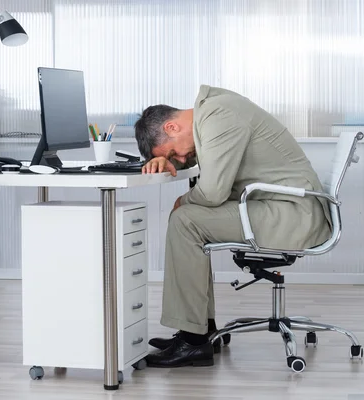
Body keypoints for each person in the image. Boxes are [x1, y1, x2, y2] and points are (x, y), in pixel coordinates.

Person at [134, 85, 332, 368]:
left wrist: (182, 199)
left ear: (172, 126)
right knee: (188, 218)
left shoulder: (219, 116)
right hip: (285, 206)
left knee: (185, 219)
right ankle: (201, 327)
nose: (179, 159)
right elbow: (206, 162)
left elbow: (213, 193)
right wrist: (166, 157)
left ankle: (194, 340)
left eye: (172, 152)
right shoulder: (214, 110)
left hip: (293, 214)